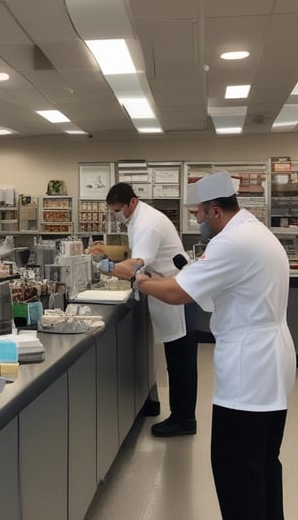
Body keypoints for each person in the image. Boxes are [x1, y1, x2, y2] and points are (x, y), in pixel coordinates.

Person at [133, 171, 296, 520]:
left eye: (199, 214)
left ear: (216, 211)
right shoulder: (254, 231)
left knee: (235, 468)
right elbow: (205, 289)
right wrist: (165, 280)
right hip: (272, 360)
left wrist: (139, 280)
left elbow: (178, 294)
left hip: (248, 367)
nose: (197, 220)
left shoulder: (230, 243)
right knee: (263, 462)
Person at [94, 182, 197, 437]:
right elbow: (137, 257)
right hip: (168, 290)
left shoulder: (147, 222)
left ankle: (184, 419)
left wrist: (103, 265)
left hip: (177, 295)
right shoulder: (138, 218)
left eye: (118, 209)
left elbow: (134, 268)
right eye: (112, 211)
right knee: (176, 361)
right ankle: (179, 415)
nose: (116, 214)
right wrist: (108, 256)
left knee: (181, 362)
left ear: (132, 202)